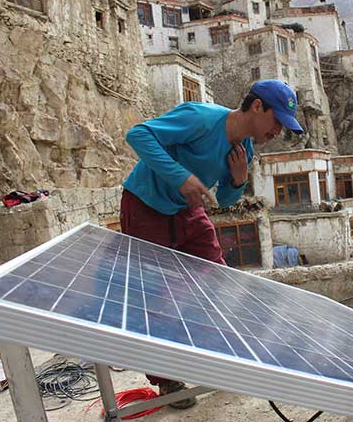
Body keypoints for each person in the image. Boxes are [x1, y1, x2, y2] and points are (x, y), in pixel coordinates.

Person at [120, 79, 303, 408]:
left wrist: (238, 179)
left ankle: (224, 355)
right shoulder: (201, 118)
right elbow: (137, 135)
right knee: (155, 295)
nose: (278, 132)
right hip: (146, 205)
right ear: (258, 106)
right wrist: (180, 176)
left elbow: (226, 199)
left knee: (220, 280)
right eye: (277, 121)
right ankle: (167, 379)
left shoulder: (244, 149)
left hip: (188, 211)